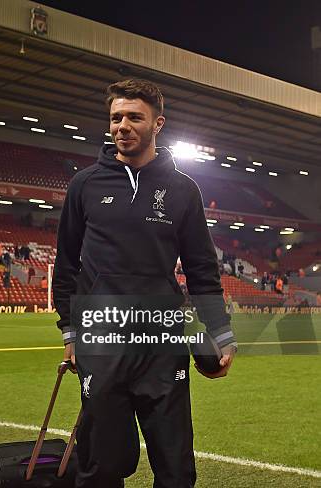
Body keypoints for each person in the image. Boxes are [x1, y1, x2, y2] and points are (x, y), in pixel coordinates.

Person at [53, 79, 237, 487]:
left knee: (175, 469)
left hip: (163, 342)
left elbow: (201, 268)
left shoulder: (183, 190)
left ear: (158, 124)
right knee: (101, 466)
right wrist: (69, 328)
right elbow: (65, 263)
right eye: (116, 117)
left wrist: (220, 332)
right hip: (101, 342)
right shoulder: (85, 184)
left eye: (135, 117)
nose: (122, 126)